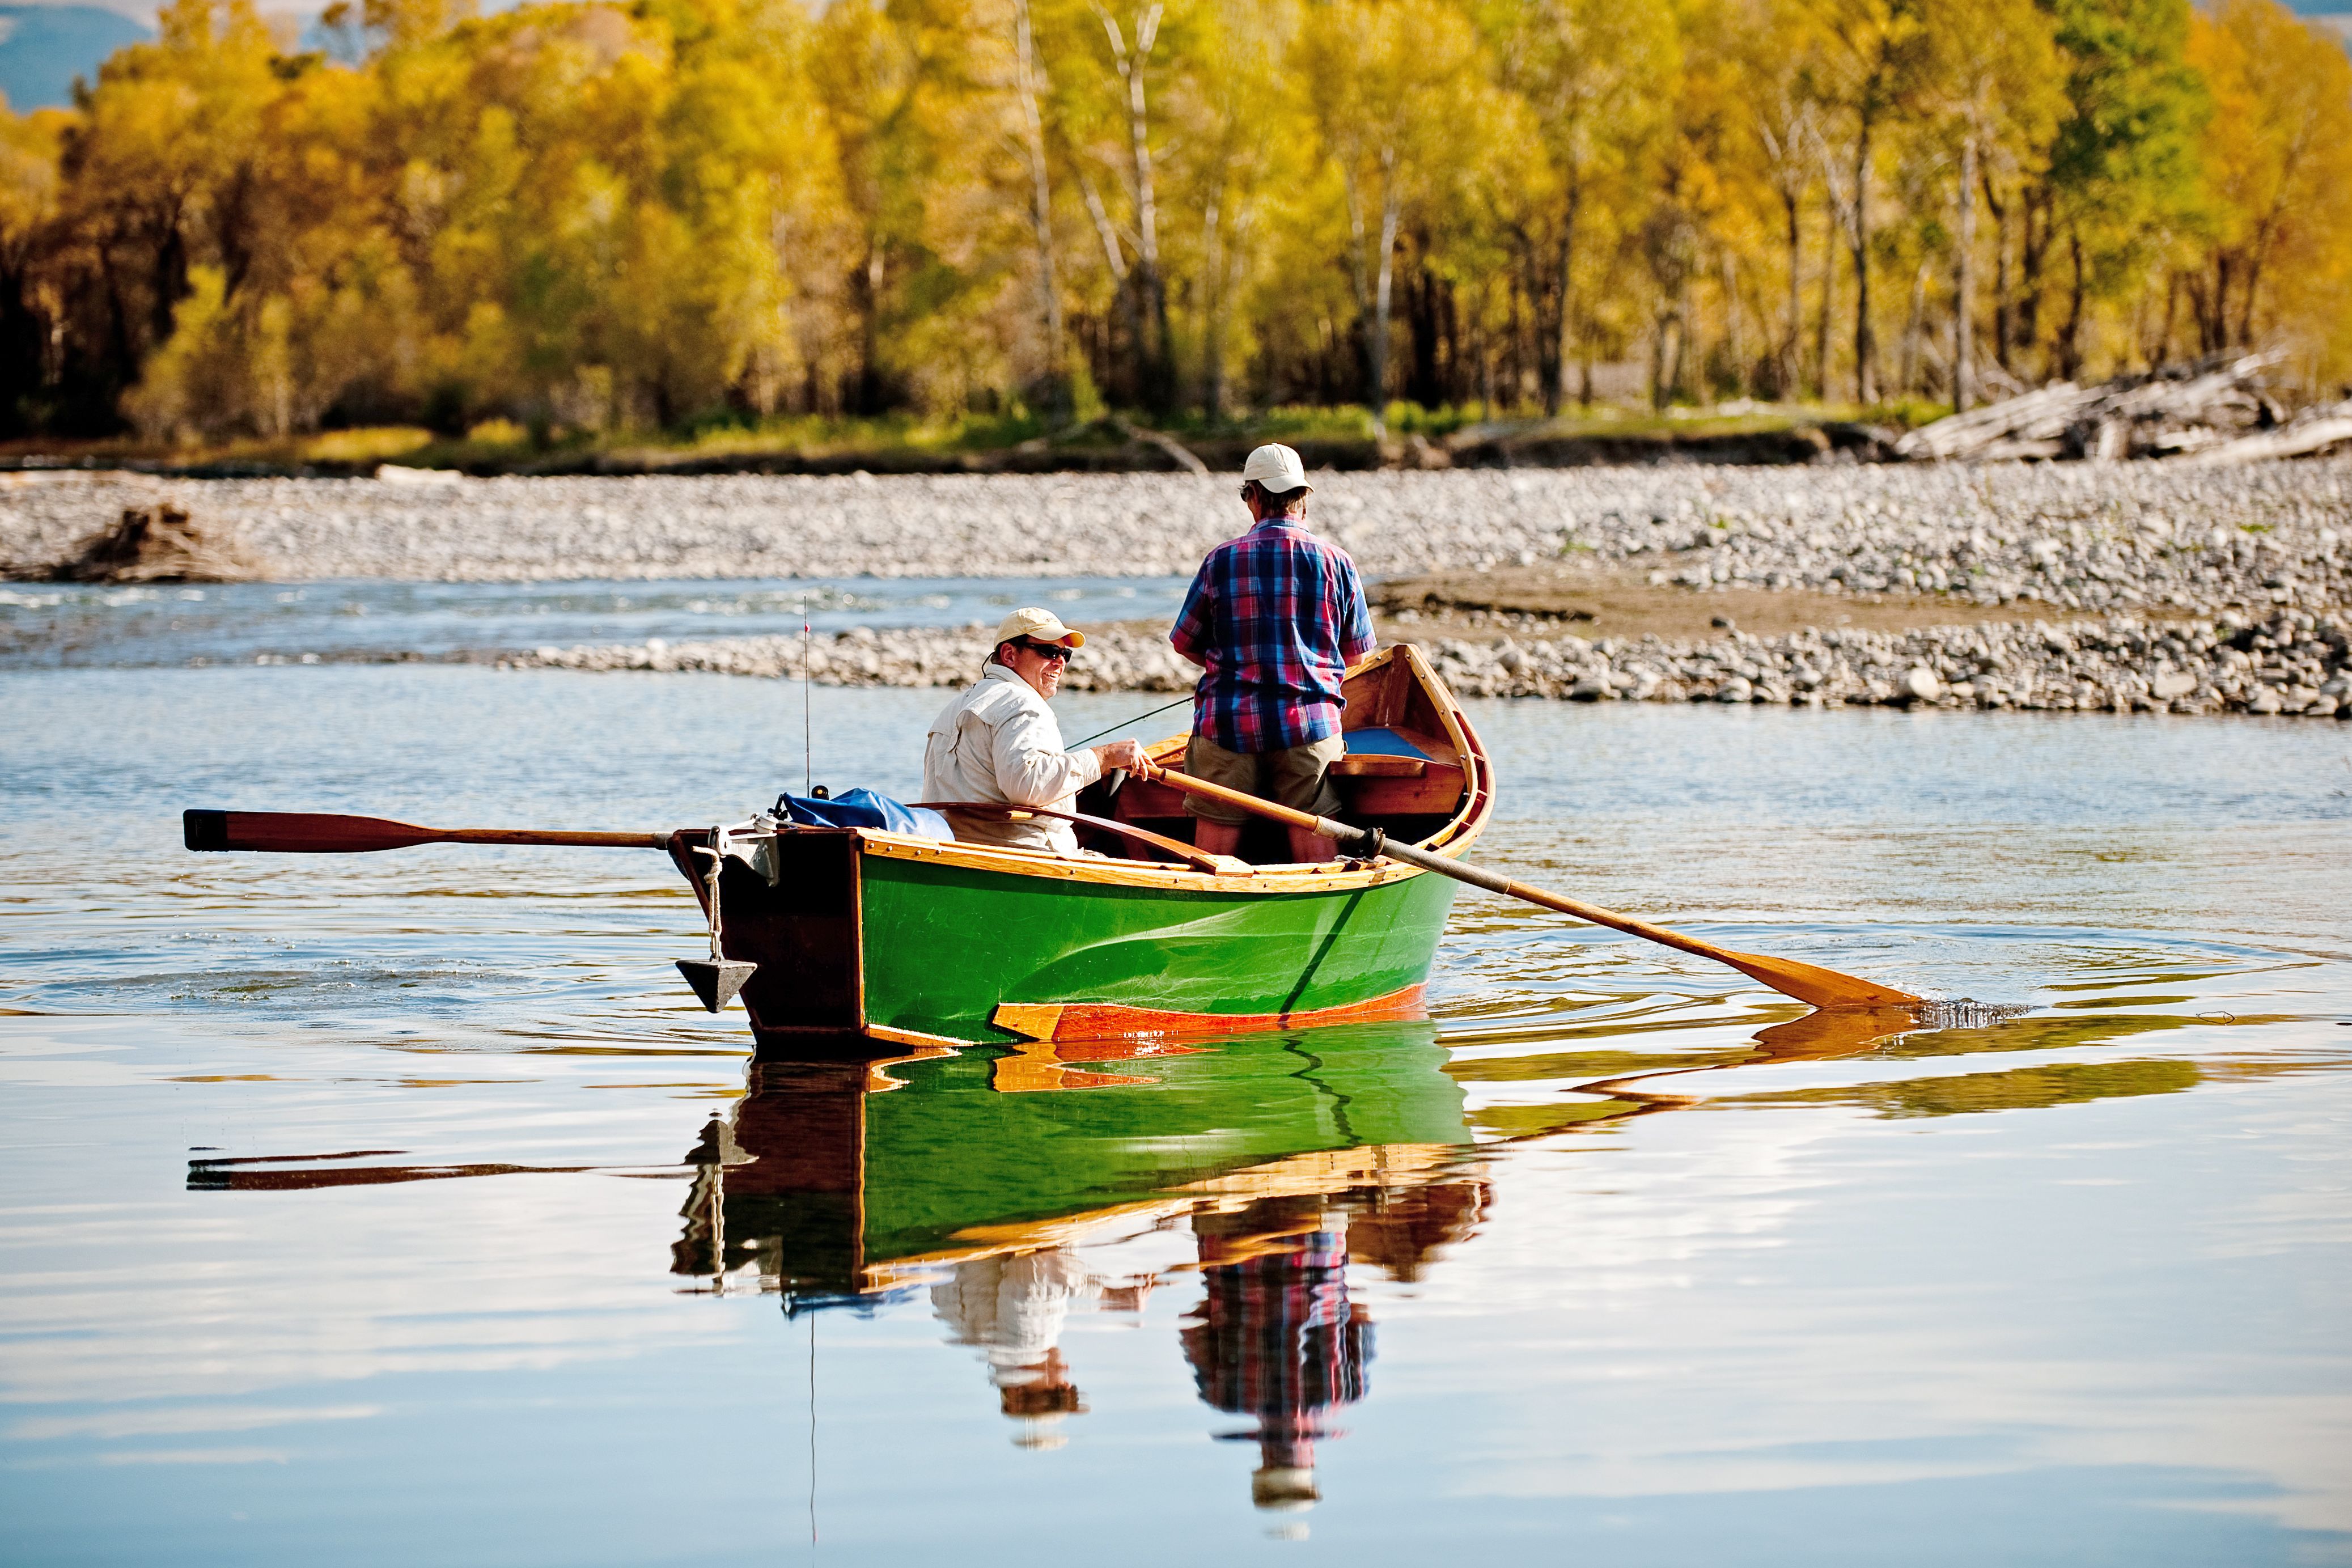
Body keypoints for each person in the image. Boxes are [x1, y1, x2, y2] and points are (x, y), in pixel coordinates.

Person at [1169, 443, 1375, 863]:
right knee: (1312, 823)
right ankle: (1316, 909)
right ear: (1301, 498)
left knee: (1213, 839)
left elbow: (1184, 642)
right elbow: (1356, 655)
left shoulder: (1220, 560)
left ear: (1255, 497)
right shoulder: (1337, 562)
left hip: (1226, 723)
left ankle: (1201, 909)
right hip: (1309, 726)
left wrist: (1229, 668)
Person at [922, 608, 1146, 857]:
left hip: (952, 851)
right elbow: (1027, 786)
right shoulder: (1023, 703)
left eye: (1065, 654)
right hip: (1025, 854)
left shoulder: (956, 706)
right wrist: (1105, 757)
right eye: (1048, 652)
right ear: (1009, 655)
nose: (1060, 662)